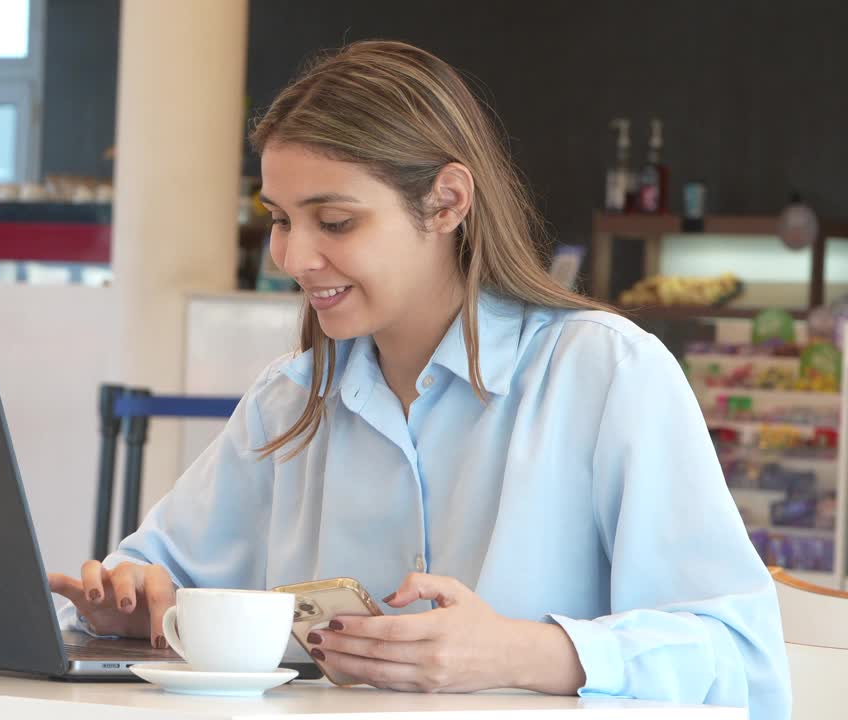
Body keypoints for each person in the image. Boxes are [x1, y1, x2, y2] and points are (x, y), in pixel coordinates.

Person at [50, 40, 790, 716]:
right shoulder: (288, 400)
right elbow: (151, 573)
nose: (293, 257)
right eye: (279, 219)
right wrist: (126, 605)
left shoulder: (604, 374)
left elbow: (744, 664)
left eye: (334, 222)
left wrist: (528, 654)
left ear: (448, 202)